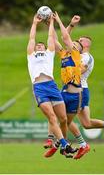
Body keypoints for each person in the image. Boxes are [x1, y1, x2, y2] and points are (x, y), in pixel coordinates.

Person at [27, 14, 76, 157]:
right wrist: (35, 23)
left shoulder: (49, 53)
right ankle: (65, 144)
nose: (39, 46)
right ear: (35, 49)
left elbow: (50, 38)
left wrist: (52, 23)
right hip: (39, 88)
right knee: (52, 117)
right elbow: (31, 39)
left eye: (41, 45)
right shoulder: (31, 55)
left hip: (52, 86)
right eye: (38, 46)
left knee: (64, 119)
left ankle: (62, 145)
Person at [44, 12, 90, 159]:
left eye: (76, 44)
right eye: (73, 42)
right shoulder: (64, 54)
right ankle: (60, 144)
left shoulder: (76, 54)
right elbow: (55, 39)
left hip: (76, 95)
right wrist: (50, 24)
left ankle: (61, 145)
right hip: (64, 92)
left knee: (67, 122)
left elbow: (65, 37)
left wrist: (59, 20)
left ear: (78, 49)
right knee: (60, 120)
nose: (73, 43)